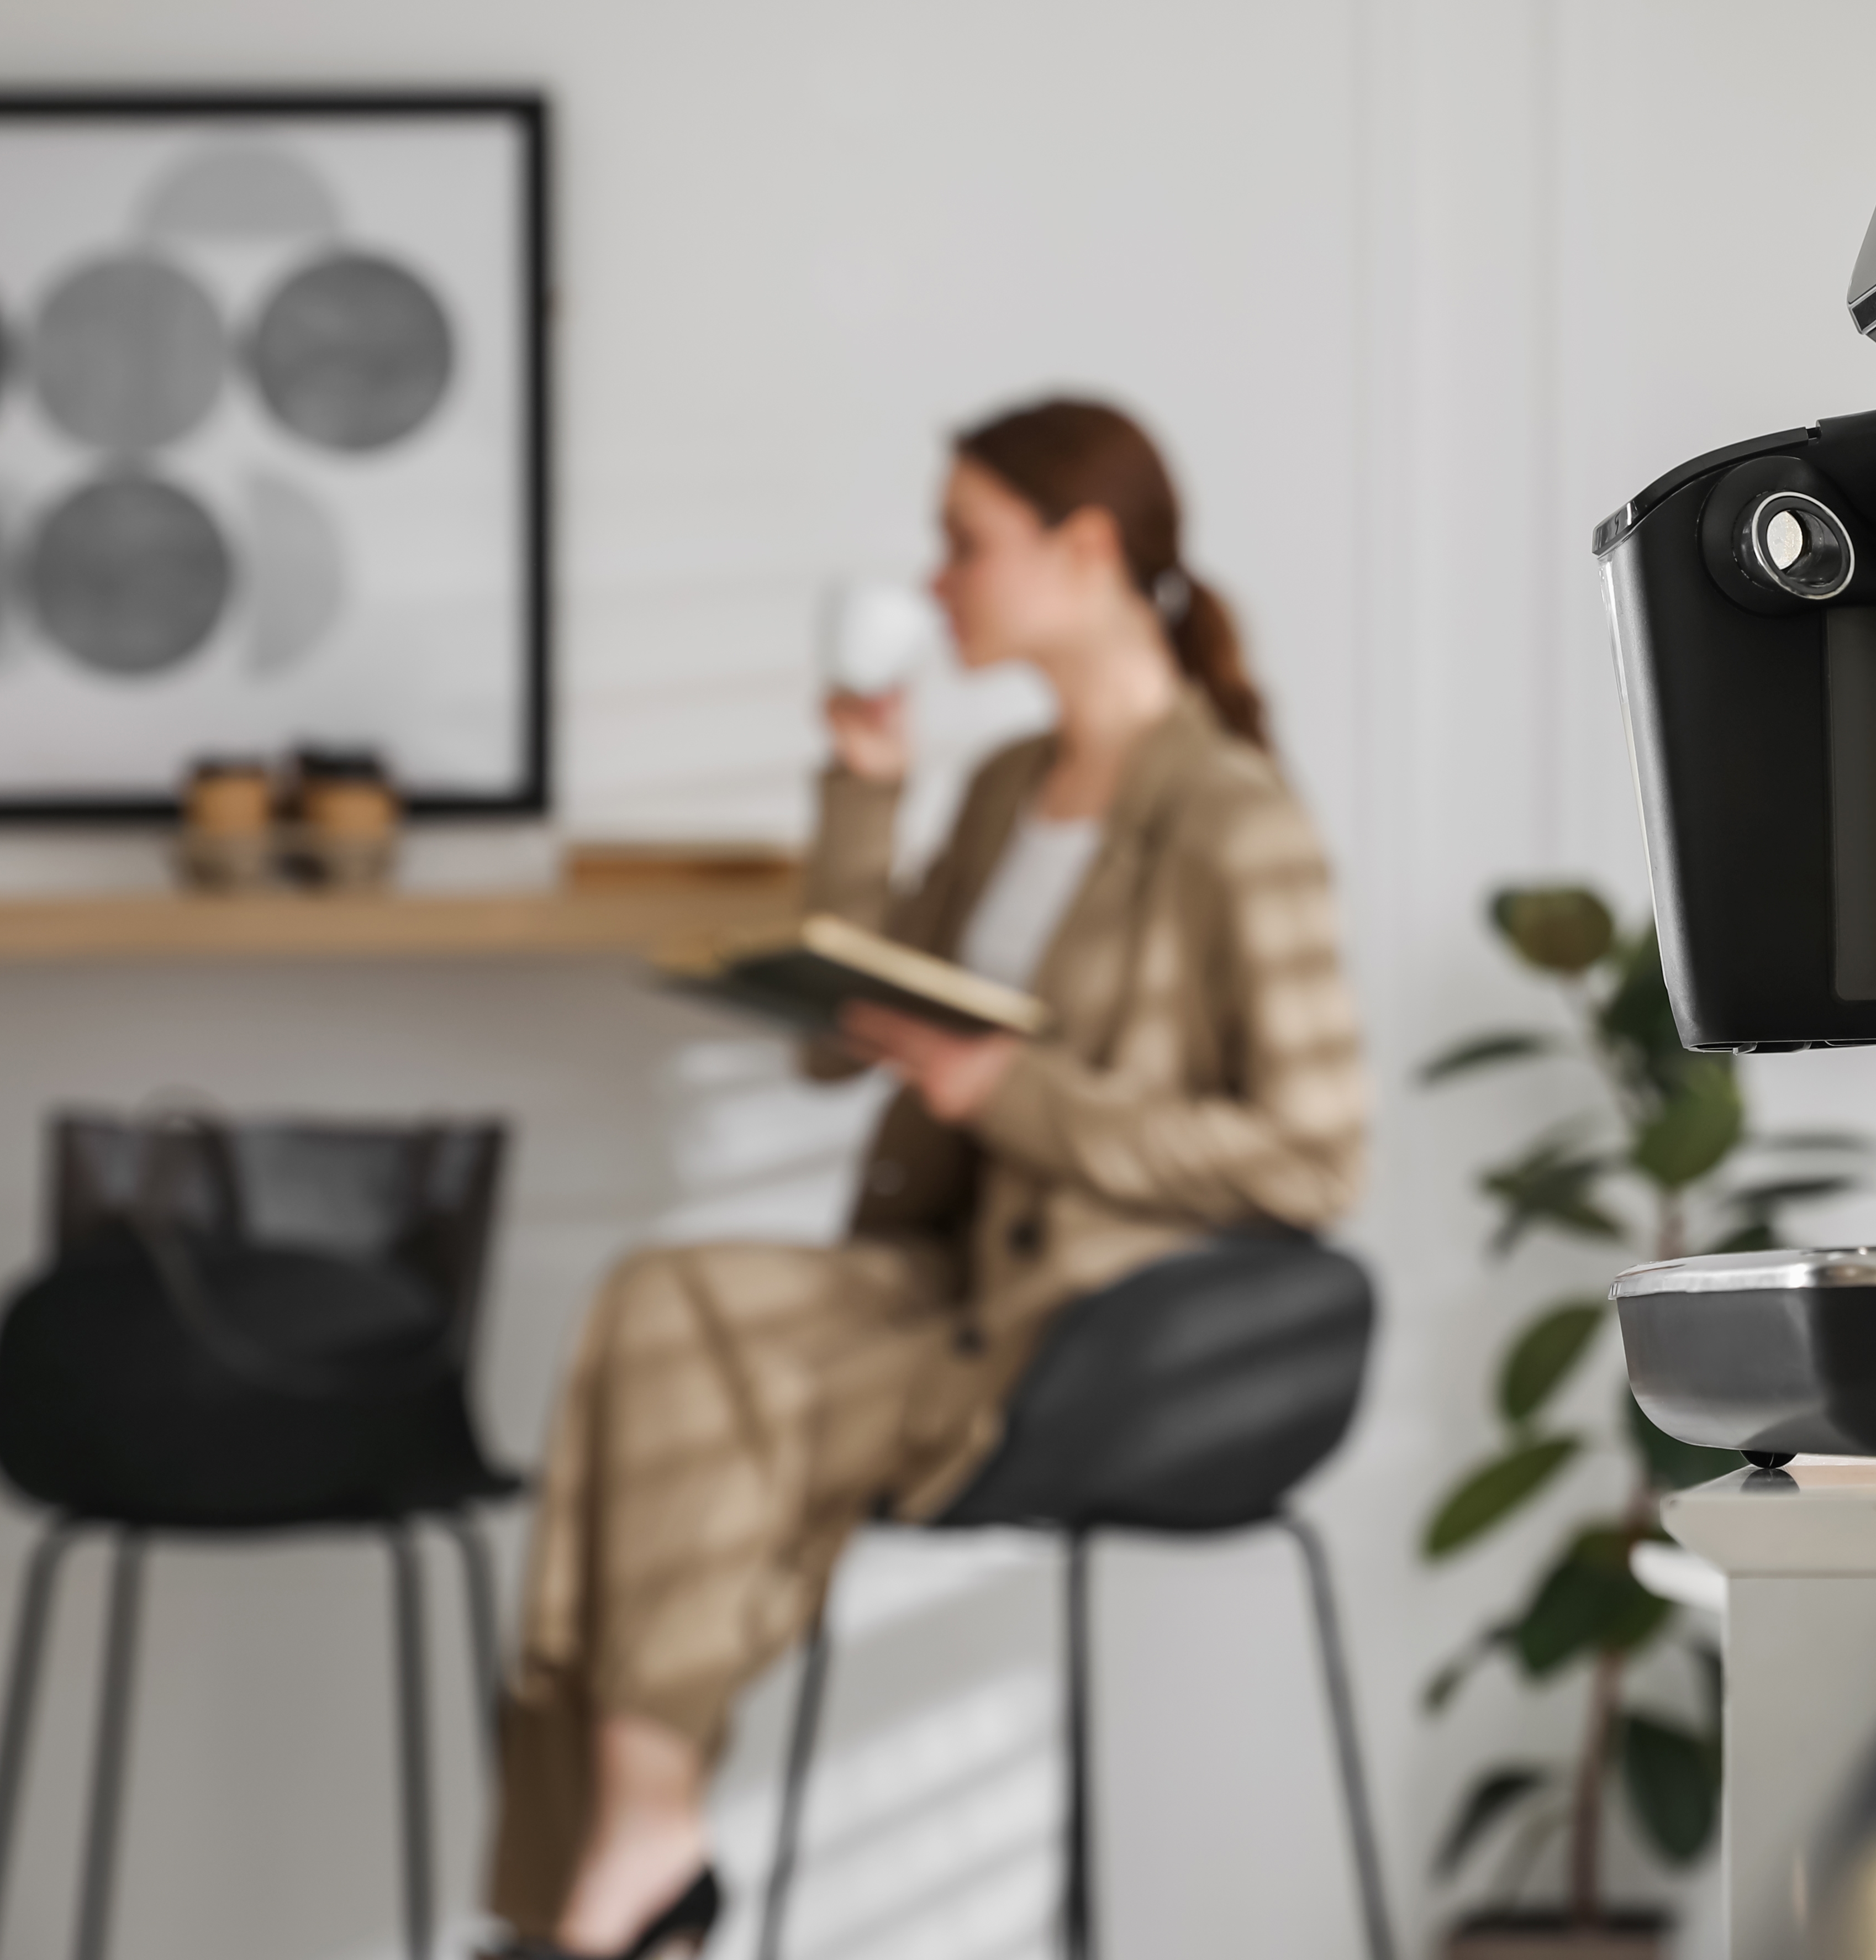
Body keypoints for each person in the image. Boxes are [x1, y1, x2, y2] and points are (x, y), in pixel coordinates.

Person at [484, 399, 1367, 1958]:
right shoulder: (1005, 786)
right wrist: (863, 784)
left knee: (710, 1383)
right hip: (945, 1271)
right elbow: (843, 1043)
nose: (935, 580)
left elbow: (1314, 1151)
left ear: (1083, 552)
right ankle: (643, 1826)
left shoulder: (1232, 818)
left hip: (1087, 1319)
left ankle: (621, 1878)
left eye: (964, 543)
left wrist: (1011, 1092)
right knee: (658, 1300)